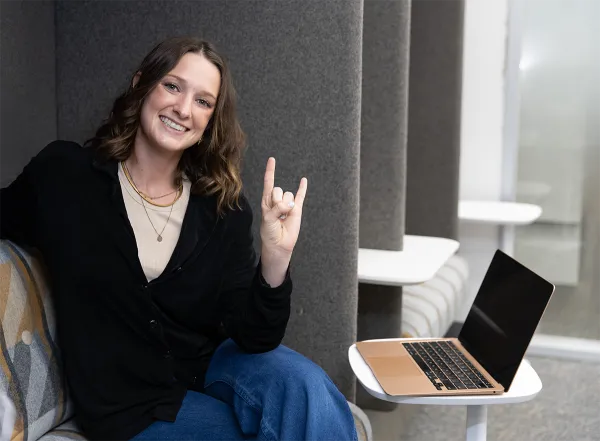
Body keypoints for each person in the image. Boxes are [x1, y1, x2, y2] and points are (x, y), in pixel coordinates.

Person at [0, 37, 358, 441]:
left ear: (210, 121)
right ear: (141, 85)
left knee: (306, 387)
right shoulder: (65, 176)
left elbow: (256, 335)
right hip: (130, 406)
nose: (184, 109)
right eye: (172, 86)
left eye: (204, 101)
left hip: (215, 367)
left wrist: (276, 256)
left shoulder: (222, 205)